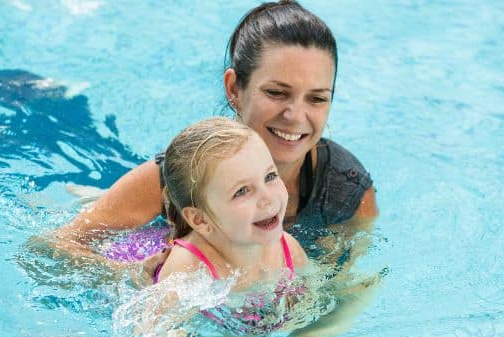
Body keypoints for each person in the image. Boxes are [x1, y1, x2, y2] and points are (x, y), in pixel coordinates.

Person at [54, 0, 378, 260]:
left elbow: (347, 294)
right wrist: (142, 280)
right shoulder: (181, 174)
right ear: (234, 88)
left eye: (317, 98)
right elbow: (53, 246)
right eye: (276, 93)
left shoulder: (346, 193)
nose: (295, 116)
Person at [149, 117, 309, 337]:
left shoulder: (287, 248)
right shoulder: (189, 266)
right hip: (135, 256)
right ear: (200, 221)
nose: (268, 198)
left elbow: (310, 298)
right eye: (242, 191)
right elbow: (155, 327)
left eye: (270, 176)